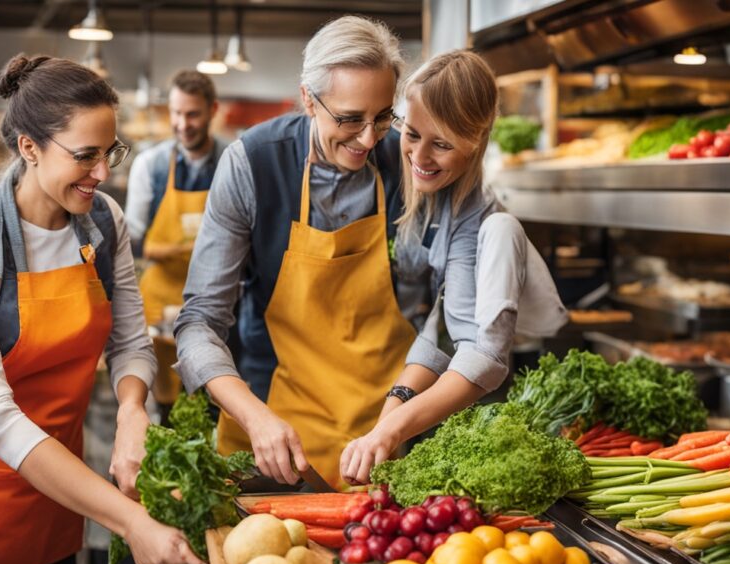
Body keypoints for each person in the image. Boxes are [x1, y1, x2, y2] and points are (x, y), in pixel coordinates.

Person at [0, 54, 211, 564]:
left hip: (60, 498)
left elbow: (131, 343)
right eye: (85, 156)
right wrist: (130, 520)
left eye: (111, 152)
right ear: (30, 147)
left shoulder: (102, 224)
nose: (103, 173)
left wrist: (132, 411)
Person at [175, 16, 432, 488]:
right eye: (350, 118)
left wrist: (403, 413)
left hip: (385, 434)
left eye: (382, 116)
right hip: (277, 434)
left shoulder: (407, 161)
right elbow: (198, 324)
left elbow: (443, 306)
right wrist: (253, 417)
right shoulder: (253, 162)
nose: (369, 138)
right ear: (309, 100)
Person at [340, 50, 569, 485]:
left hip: (400, 365)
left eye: (442, 144)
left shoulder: (477, 216)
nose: (420, 156)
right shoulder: (373, 151)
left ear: (476, 141)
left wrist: (390, 421)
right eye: (411, 133)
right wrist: (391, 420)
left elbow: (466, 342)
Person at [126, 70, 227, 410]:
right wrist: (185, 249)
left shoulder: (232, 163)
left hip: (216, 306)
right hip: (160, 309)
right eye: (176, 113)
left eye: (192, 114)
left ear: (213, 110)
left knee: (216, 404)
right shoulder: (150, 166)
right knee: (168, 409)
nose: (182, 124)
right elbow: (134, 242)